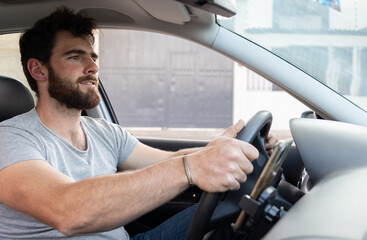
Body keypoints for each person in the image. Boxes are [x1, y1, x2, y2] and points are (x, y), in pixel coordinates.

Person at [0, 7, 277, 239]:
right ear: (38, 69)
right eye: (75, 57)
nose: (93, 67)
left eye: (93, 57)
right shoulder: (11, 140)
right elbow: (67, 209)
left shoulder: (104, 132)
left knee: (245, 208)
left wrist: (223, 150)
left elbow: (166, 161)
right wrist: (192, 167)